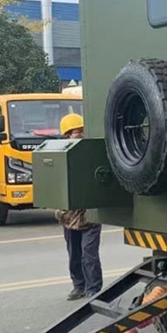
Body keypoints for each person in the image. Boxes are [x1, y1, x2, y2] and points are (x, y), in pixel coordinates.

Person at [55, 113, 103, 300]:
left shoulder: (90, 153)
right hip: (68, 217)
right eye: (77, 132)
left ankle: (94, 290)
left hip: (89, 217)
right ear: (67, 135)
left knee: (89, 256)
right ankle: (79, 286)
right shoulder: (60, 154)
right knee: (74, 256)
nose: (81, 134)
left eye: (83, 131)